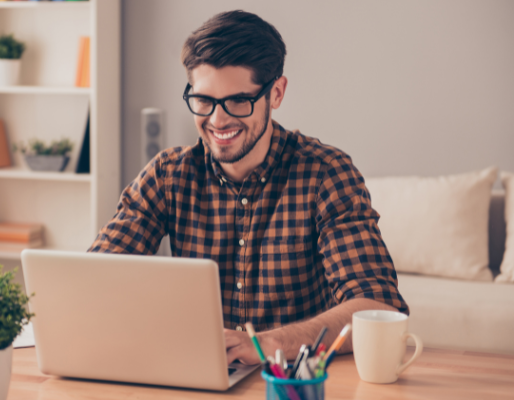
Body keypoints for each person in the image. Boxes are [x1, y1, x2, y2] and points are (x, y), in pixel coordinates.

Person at [89, 10, 408, 366]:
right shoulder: (168, 175)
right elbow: (96, 278)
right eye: (204, 100)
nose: (218, 119)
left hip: (293, 381)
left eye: (239, 101)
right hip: (198, 377)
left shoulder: (326, 174)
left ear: (276, 93)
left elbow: (378, 305)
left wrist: (267, 343)